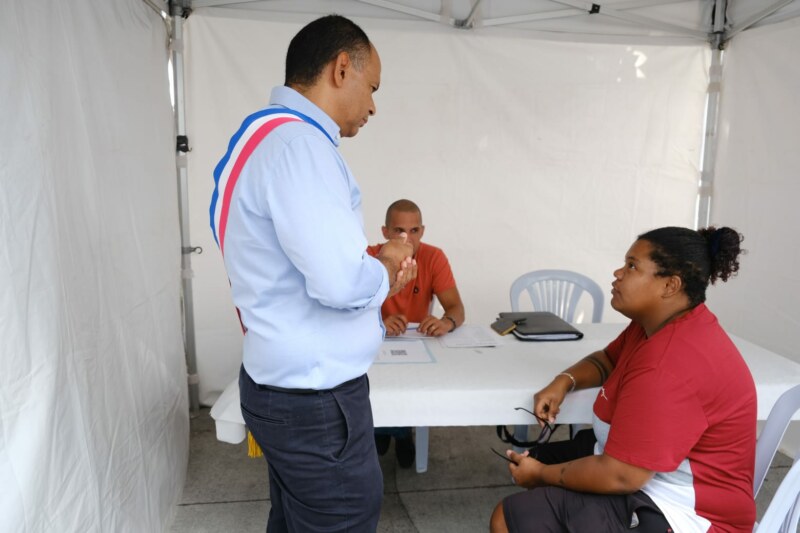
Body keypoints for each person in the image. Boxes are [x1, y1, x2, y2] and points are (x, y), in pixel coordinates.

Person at [209, 15, 416, 533]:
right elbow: (341, 282)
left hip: (280, 385)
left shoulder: (255, 135)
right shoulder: (300, 146)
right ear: (341, 68)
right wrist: (387, 266)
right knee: (340, 520)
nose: (372, 106)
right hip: (316, 404)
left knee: (294, 519)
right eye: (372, 88)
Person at [490, 226, 755, 533]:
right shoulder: (658, 324)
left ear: (670, 285)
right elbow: (608, 360)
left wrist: (541, 476)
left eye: (632, 266)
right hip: (651, 476)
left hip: (686, 513)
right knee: (534, 459)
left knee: (508, 517)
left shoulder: (667, 365)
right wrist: (563, 382)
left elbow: (620, 476)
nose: (618, 272)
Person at [366, 199, 466, 467]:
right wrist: (378, 322)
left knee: (410, 383)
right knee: (372, 384)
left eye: (413, 231)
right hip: (376, 343)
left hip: (418, 345)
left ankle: (391, 432)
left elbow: (456, 308)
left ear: (422, 231)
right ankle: (396, 433)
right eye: (398, 231)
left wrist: (447, 323)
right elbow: (351, 311)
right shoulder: (369, 256)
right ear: (385, 232)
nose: (406, 238)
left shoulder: (433, 257)